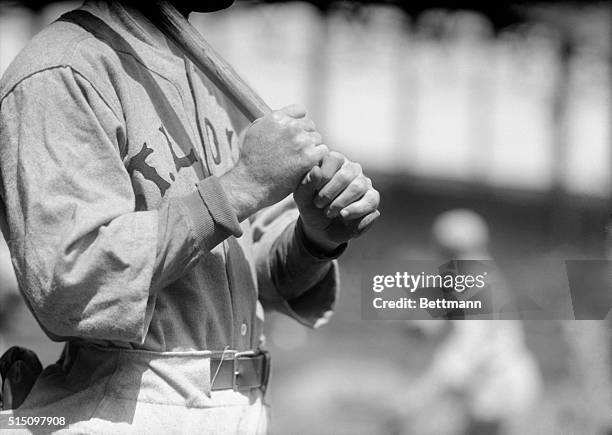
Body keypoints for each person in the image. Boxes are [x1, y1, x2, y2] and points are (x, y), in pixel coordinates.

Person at [0, 0, 380, 433]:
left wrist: (315, 239)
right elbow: (71, 283)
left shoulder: (206, 75)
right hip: (125, 413)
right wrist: (241, 187)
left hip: (240, 410)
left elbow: (261, 281)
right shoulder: (62, 71)